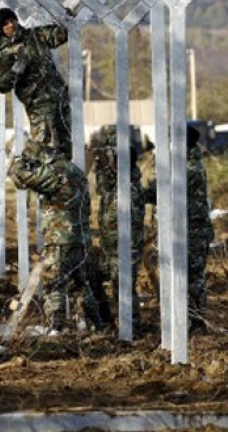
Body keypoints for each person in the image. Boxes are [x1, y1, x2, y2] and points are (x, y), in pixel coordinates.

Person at [9, 143, 102, 333]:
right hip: (80, 237)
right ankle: (95, 325)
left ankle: (55, 327)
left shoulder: (54, 173)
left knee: (54, 282)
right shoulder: (73, 170)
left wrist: (18, 164)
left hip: (60, 237)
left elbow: (21, 178)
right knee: (80, 284)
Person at [0, 8, 72, 158]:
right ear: (1, 29)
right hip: (38, 104)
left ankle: (66, 179)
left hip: (59, 97)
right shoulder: (4, 54)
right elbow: (1, 85)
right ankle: (48, 179)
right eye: (5, 24)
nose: (10, 25)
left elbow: (60, 35)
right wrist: (16, 70)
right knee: (45, 148)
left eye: (12, 20)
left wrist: (65, 19)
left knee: (66, 147)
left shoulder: (35, 36)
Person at [88, 125, 149, 329]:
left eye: (113, 161)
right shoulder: (115, 184)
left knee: (122, 287)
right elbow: (103, 177)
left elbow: (130, 225)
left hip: (124, 250)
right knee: (91, 274)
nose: (110, 165)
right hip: (110, 248)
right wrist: (99, 153)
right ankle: (106, 318)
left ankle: (131, 326)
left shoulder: (129, 190)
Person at [185, 124, 214, 331]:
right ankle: (193, 319)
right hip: (194, 229)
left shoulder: (190, 169)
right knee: (192, 276)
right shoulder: (191, 165)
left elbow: (162, 190)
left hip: (194, 230)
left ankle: (196, 321)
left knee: (194, 277)